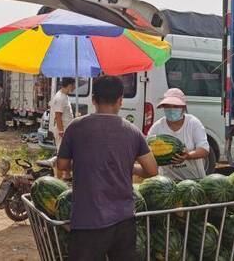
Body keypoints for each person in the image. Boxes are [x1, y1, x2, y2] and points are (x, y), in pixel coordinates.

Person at [56, 76, 158, 261]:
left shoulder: (75, 127)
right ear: (120, 101)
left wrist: (83, 163)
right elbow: (152, 170)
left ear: (94, 99)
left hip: (87, 221)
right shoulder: (133, 131)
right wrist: (132, 168)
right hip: (124, 221)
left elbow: (62, 165)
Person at [147, 88, 210, 181]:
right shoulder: (157, 127)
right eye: (167, 106)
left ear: (183, 108)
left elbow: (204, 149)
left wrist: (188, 156)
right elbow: (147, 151)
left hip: (194, 180)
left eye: (175, 106)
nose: (171, 109)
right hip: (168, 183)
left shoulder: (193, 123)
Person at [49, 77, 75, 179]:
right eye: (73, 86)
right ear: (69, 85)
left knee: (68, 153)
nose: (74, 88)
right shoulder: (60, 97)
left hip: (67, 130)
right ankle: (58, 177)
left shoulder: (65, 96)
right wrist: (61, 131)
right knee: (62, 154)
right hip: (62, 131)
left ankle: (67, 175)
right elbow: (58, 115)